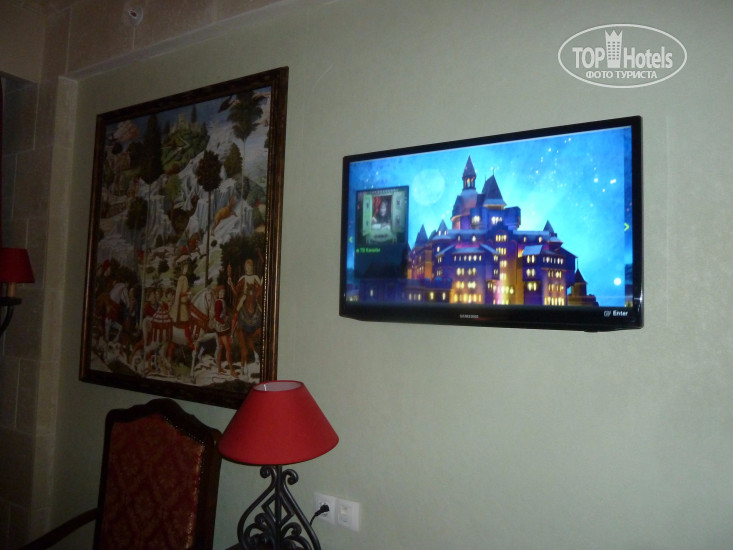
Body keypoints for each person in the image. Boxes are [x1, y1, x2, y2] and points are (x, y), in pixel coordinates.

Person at [213, 285, 234, 376]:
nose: (223, 293)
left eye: (224, 292)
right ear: (218, 293)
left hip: (221, 327)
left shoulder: (222, 301)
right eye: (221, 292)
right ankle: (232, 370)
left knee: (221, 348)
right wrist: (224, 321)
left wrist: (227, 316)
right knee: (228, 348)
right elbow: (216, 316)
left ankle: (219, 368)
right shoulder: (218, 302)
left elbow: (222, 314)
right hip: (222, 328)